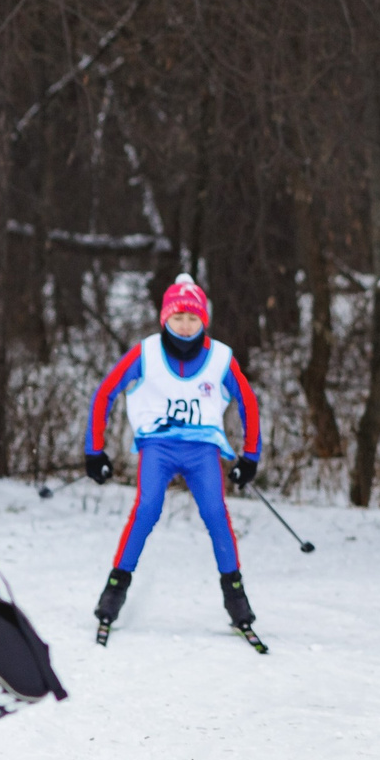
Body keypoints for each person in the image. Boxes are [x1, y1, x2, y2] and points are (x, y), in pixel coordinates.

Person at [87, 273, 264, 645]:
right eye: (178, 317)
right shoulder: (146, 352)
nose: (185, 326)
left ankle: (237, 602)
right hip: (159, 446)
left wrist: (250, 456)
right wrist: (94, 450)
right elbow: (105, 393)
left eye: (193, 318)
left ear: (204, 321)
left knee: (216, 514)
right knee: (147, 508)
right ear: (164, 318)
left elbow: (248, 402)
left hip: (202, 449)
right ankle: (113, 593)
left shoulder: (219, 358)